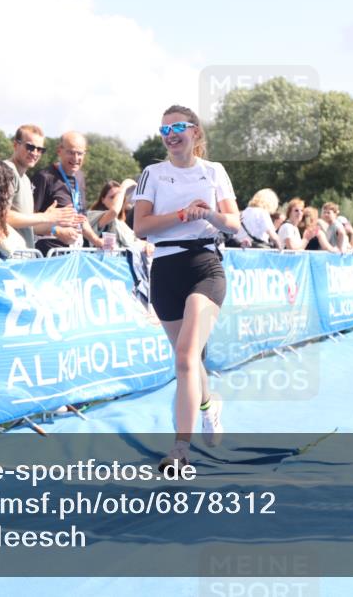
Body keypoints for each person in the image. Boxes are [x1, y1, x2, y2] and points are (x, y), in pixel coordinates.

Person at [132, 105, 240, 473]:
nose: (170, 134)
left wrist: (206, 214)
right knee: (189, 359)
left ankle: (180, 450)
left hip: (204, 266)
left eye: (178, 126)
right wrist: (181, 215)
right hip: (165, 269)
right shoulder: (153, 173)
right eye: (164, 129)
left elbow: (233, 223)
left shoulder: (214, 172)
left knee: (184, 357)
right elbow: (140, 227)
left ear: (195, 132)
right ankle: (209, 404)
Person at [2, 124, 79, 250]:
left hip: (22, 257)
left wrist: (56, 227)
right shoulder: (6, 171)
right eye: (30, 147)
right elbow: (2, 217)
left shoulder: (26, 180)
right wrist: (45, 217)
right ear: (15, 145)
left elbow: (28, 225)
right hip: (7, 258)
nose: (35, 153)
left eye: (40, 149)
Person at [32, 131, 100, 253]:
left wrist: (98, 242)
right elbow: (30, 222)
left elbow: (82, 218)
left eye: (80, 153)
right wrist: (56, 230)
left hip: (74, 252)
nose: (75, 158)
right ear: (59, 150)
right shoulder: (44, 177)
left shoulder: (80, 177)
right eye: (71, 152)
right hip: (48, 253)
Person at [87, 178, 143, 249]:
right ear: (103, 200)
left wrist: (148, 245)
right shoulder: (93, 215)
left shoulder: (120, 222)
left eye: (118, 197)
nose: (116, 200)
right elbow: (114, 212)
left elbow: (134, 240)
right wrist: (123, 187)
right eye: (112, 197)